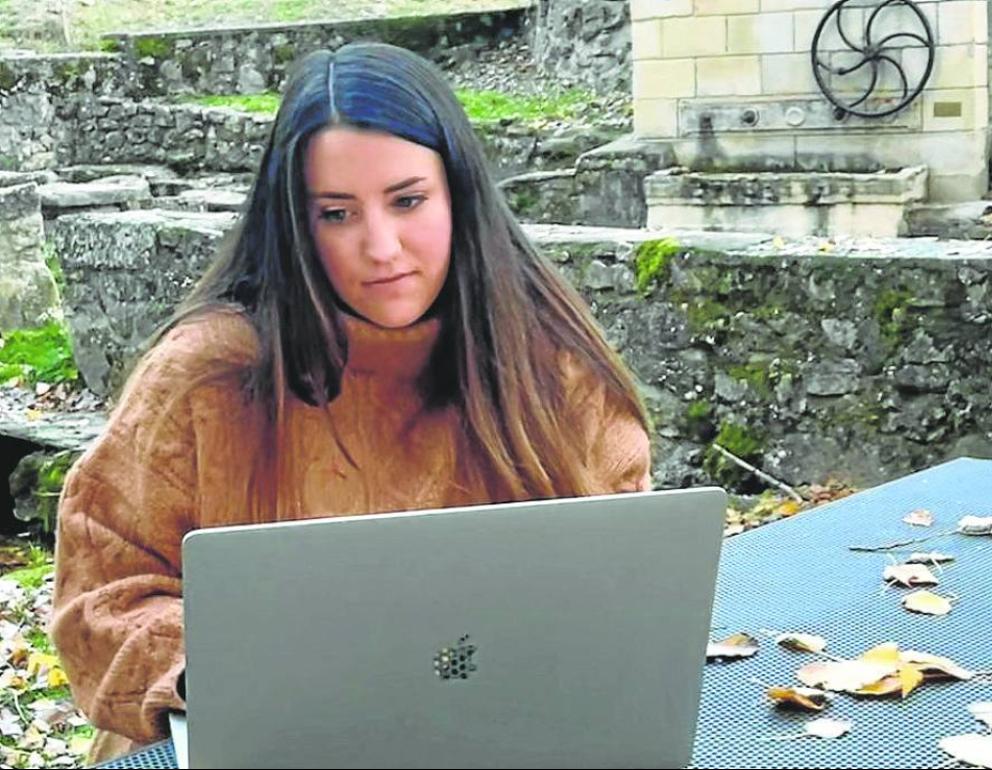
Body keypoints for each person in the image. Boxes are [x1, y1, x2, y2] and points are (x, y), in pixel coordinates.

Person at [49, 41, 652, 764]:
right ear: (296, 225)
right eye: (337, 213)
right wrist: (234, 676)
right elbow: (100, 599)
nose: (381, 246)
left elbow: (629, 579)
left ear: (460, 191)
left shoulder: (550, 369)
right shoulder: (204, 376)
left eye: (408, 200)